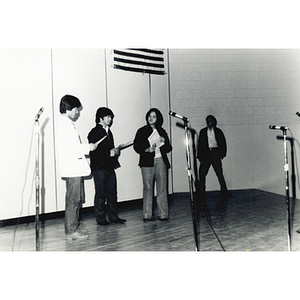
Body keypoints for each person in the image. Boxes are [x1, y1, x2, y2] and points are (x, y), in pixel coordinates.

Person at [56, 94, 100, 240]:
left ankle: (73, 228)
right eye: (76, 109)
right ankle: (71, 232)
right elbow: (71, 148)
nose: (78, 112)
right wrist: (89, 147)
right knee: (73, 200)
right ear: (68, 109)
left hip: (74, 168)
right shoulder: (65, 125)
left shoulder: (66, 124)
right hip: (72, 168)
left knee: (76, 199)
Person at [87, 107, 126, 225]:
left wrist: (115, 152)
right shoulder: (94, 132)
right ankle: (101, 218)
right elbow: (93, 151)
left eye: (111, 117)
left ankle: (113, 217)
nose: (110, 119)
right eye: (108, 116)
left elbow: (109, 150)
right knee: (100, 194)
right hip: (99, 168)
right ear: (101, 118)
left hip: (109, 167)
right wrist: (108, 153)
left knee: (112, 192)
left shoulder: (108, 131)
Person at [133, 108, 172, 221]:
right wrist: (147, 149)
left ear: (158, 118)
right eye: (149, 116)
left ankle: (163, 214)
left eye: (154, 116)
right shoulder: (141, 131)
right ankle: (147, 214)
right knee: (148, 187)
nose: (151, 118)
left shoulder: (162, 131)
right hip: (147, 162)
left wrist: (164, 142)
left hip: (161, 160)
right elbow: (136, 146)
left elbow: (169, 148)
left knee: (162, 188)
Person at [197, 115, 232, 197]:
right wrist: (200, 156)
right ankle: (201, 191)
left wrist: (222, 154)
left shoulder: (218, 131)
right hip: (206, 154)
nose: (208, 122)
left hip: (215, 153)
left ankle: (224, 190)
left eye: (210, 120)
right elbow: (200, 144)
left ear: (214, 121)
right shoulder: (203, 131)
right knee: (202, 173)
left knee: (219, 172)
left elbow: (223, 143)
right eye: (207, 121)